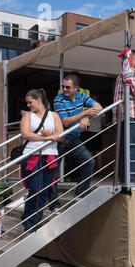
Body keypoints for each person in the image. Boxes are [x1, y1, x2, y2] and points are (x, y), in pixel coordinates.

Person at [21, 89, 63, 231]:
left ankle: (37, 221)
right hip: (32, 155)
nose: (28, 105)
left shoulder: (54, 116)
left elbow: (61, 135)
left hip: (50, 155)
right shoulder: (27, 116)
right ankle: (27, 218)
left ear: (39, 101)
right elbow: (25, 134)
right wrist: (46, 138)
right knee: (36, 189)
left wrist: (52, 134)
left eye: (30, 102)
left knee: (44, 191)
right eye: (27, 103)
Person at [54, 75, 102, 195]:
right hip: (60, 139)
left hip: (74, 139)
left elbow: (99, 107)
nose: (64, 89)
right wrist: (84, 113)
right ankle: (53, 201)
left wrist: (86, 117)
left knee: (89, 162)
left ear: (76, 88)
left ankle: (81, 192)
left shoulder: (81, 95)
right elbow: (66, 121)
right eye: (63, 87)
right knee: (53, 172)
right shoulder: (58, 99)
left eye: (67, 87)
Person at [80, 95, 106, 171]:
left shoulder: (87, 108)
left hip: (88, 131)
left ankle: (90, 170)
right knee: (98, 151)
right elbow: (103, 121)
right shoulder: (100, 108)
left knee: (90, 151)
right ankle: (100, 169)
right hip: (98, 131)